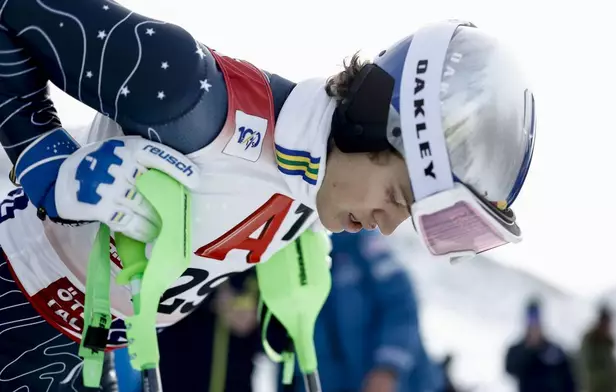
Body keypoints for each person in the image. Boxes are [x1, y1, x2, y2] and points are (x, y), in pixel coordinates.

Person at [0, 0, 536, 389]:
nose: (390, 225)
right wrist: (39, 150)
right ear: (369, 120)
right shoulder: (195, 100)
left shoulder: (309, 199)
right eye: (398, 195)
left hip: (75, 358)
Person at [276, 230, 445, 392]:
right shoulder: (281, 252)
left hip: (390, 381)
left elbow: (401, 307)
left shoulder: (363, 243)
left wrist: (388, 368)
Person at [157, 269, 262, 392]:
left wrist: (257, 316)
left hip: (236, 368)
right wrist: (211, 299)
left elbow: (278, 343)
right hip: (180, 358)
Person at [504, 298, 577, 392]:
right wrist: (529, 350)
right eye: (531, 325)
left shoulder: (555, 351)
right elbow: (510, 369)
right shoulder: (518, 350)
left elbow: (570, 380)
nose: (534, 329)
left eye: (536, 324)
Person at [578, 304, 616, 392]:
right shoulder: (590, 345)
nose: (608, 327)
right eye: (605, 323)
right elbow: (591, 378)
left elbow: (611, 367)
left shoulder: (608, 344)